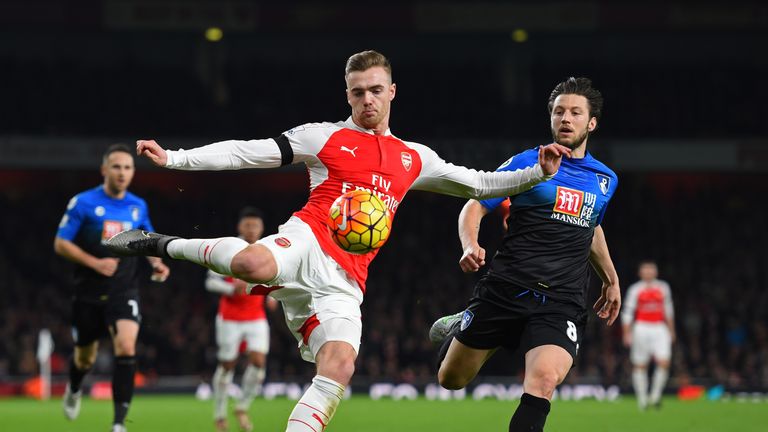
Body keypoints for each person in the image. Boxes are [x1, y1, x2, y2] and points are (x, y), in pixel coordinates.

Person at [105, 50, 570, 431]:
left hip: (347, 278)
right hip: (308, 238)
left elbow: (479, 184)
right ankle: (161, 242)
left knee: (340, 365)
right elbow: (247, 152)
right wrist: (174, 159)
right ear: (347, 95)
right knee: (251, 265)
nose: (366, 99)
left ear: (391, 92)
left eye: (375, 90)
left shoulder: (414, 159)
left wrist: (537, 173)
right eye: (357, 92)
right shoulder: (322, 138)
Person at [429, 77, 621, 432]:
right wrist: (470, 244)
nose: (566, 118)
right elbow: (476, 204)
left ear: (591, 123)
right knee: (451, 380)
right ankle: (462, 325)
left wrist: (611, 277)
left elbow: (591, 226)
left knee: (544, 380)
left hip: (561, 299)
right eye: (559, 111)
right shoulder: (527, 162)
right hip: (506, 289)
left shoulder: (604, 178)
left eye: (575, 112)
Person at [54, 144, 170, 432]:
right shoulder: (82, 202)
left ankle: (118, 424)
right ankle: (75, 386)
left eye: (128, 167)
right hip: (88, 292)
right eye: (116, 167)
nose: (122, 172)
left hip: (124, 289)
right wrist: (95, 263)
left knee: (127, 346)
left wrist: (157, 263)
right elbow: (61, 243)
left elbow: (146, 239)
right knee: (85, 359)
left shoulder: (137, 205)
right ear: (104, 170)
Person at [206, 206, 278, 432]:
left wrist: (272, 294)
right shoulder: (229, 248)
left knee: (258, 363)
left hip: (255, 316)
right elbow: (209, 282)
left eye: (255, 225)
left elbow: (272, 277)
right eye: (248, 225)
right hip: (230, 317)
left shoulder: (266, 249)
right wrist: (231, 289)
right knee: (228, 365)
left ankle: (242, 407)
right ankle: (219, 414)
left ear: (261, 228)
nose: (252, 229)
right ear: (240, 227)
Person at [621, 260, 674, 410]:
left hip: (659, 327)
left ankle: (655, 396)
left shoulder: (663, 287)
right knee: (640, 365)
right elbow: (628, 313)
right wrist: (626, 333)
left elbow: (668, 310)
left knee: (664, 362)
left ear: (655, 272)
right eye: (646, 270)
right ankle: (642, 400)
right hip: (641, 327)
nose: (649, 272)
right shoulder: (635, 289)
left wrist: (671, 330)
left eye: (651, 269)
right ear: (640, 273)